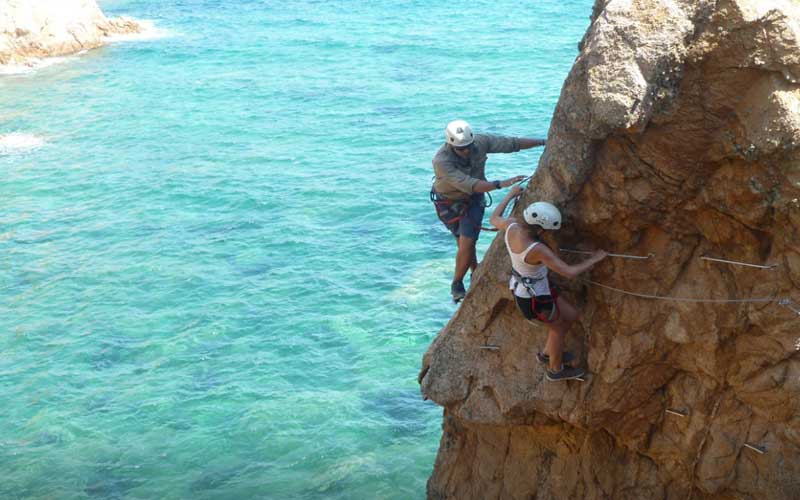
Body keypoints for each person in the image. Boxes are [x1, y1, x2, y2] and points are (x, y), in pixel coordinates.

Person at [490, 186, 607, 381]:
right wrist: (594, 259)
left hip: (534, 289)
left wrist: (510, 194)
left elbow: (493, 218)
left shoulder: (512, 226)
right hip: (533, 298)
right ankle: (556, 370)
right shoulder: (536, 249)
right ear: (541, 228)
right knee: (558, 328)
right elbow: (569, 272)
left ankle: (547, 354)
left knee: (571, 315)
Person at [432, 119, 546, 302]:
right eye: (462, 149)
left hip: (473, 201)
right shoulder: (441, 161)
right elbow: (471, 184)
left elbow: (511, 143)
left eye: (469, 146)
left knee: (467, 240)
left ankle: (457, 282)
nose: (467, 150)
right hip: (449, 203)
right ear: (450, 145)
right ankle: (474, 271)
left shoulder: (480, 142)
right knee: (463, 241)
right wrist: (501, 184)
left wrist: (543, 142)